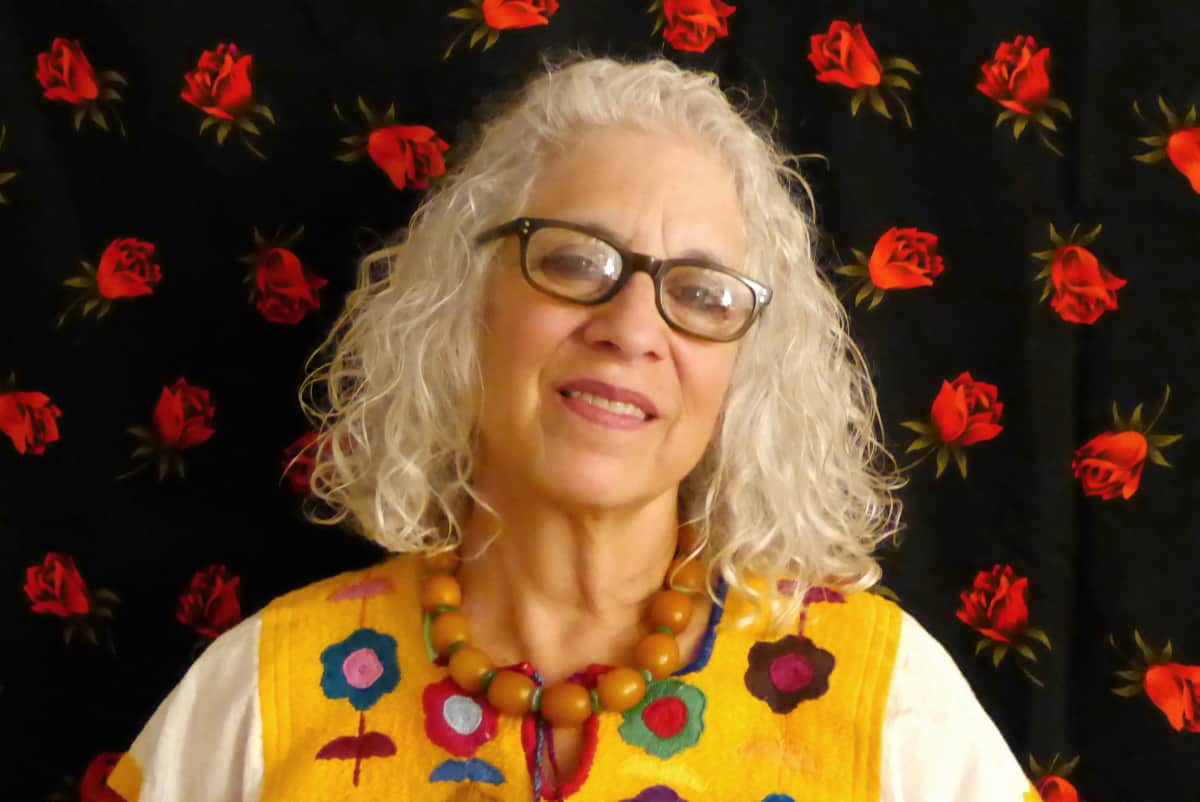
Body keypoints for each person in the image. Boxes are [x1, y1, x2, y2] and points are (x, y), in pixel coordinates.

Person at [106, 54, 1039, 802]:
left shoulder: (890, 706)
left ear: (746, 372)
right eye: (574, 261)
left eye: (702, 295)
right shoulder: (264, 693)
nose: (632, 328)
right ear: (466, 306)